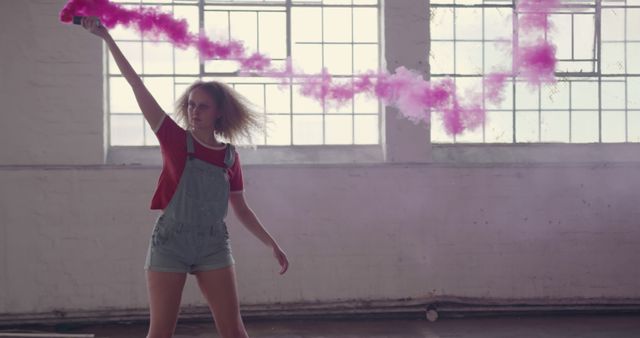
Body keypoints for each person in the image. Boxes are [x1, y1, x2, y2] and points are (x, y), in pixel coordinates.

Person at [80, 16, 289, 338]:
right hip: (170, 243)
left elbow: (242, 209)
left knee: (234, 331)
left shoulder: (229, 155)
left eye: (203, 107)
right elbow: (137, 85)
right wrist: (107, 38)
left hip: (213, 244)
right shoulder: (175, 139)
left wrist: (272, 243)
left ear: (218, 112)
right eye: (191, 105)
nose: (194, 111)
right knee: (161, 332)